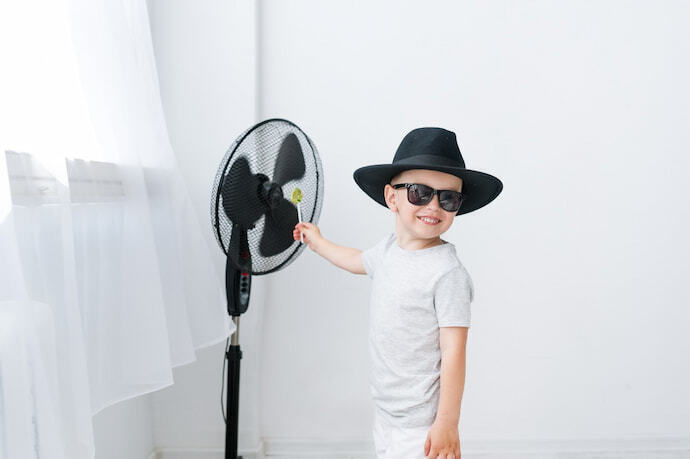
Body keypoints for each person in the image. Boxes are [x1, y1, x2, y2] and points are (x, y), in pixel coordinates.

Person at [292, 127, 503, 459]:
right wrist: (318, 242)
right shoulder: (389, 250)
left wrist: (447, 424)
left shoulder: (447, 273)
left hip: (421, 426)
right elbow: (357, 260)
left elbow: (454, 353)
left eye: (448, 198)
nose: (434, 206)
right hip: (387, 412)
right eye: (420, 192)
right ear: (392, 198)